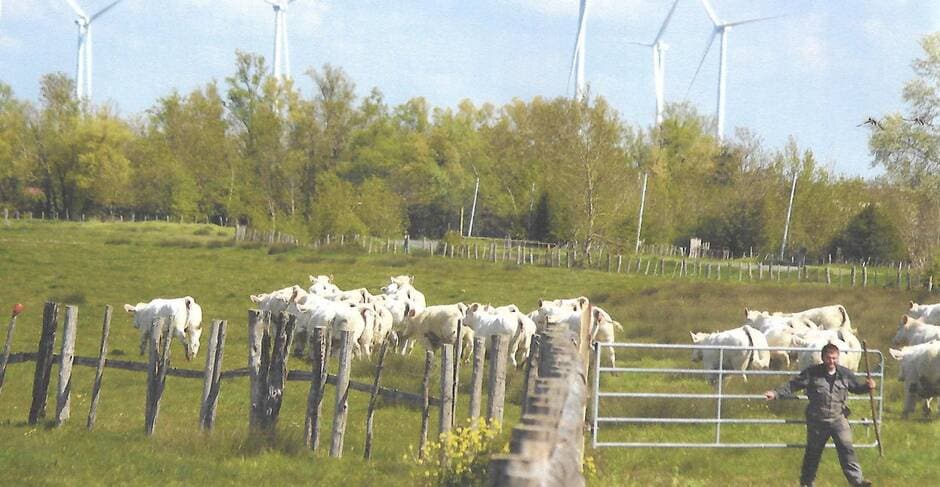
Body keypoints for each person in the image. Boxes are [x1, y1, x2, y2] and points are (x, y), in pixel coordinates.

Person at [764, 343, 875, 487]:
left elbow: (857, 388)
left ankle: (858, 482)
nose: (831, 361)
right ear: (823, 358)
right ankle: (807, 483)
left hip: (839, 419)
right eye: (828, 358)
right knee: (813, 453)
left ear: (838, 358)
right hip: (817, 420)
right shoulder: (812, 372)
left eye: (834, 358)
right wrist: (776, 393)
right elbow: (793, 385)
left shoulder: (845, 374)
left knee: (847, 450)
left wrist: (868, 387)